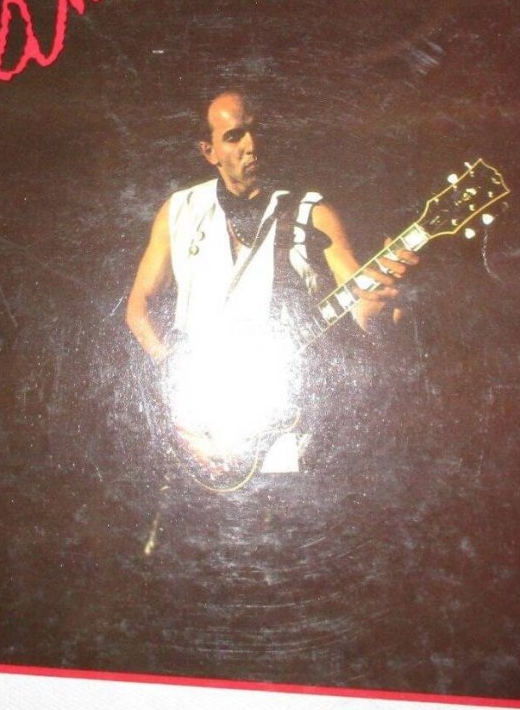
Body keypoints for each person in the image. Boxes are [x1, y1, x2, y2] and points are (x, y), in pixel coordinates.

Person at [124, 90, 418, 479]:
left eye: (256, 131)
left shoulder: (312, 212)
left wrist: (381, 303)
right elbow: (138, 308)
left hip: (286, 441)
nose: (251, 146)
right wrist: (174, 379)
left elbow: (361, 302)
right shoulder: (179, 211)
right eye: (234, 136)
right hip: (195, 431)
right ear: (209, 151)